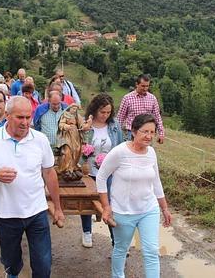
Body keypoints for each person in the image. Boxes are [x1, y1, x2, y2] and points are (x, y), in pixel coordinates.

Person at [0, 96, 65, 278]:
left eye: (28, 117)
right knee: (11, 263)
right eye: (20, 117)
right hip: (6, 214)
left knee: (43, 265)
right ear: (7, 115)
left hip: (37, 212)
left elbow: (49, 173)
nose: (25, 122)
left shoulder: (40, 140)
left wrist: (58, 208)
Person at [97, 114, 172, 278]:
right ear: (133, 131)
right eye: (145, 132)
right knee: (121, 248)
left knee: (151, 250)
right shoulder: (119, 152)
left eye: (152, 132)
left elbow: (156, 181)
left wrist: (164, 208)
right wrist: (106, 207)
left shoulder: (151, 153)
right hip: (123, 211)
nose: (149, 136)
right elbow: (101, 177)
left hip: (148, 209)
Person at [79, 93, 123, 248]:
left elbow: (120, 148)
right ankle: (87, 232)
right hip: (88, 171)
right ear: (95, 110)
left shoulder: (114, 126)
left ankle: (115, 240)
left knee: (110, 204)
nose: (105, 115)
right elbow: (78, 146)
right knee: (87, 202)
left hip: (109, 172)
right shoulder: (86, 124)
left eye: (108, 112)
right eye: (102, 112)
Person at [117, 74, 165, 143]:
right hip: (131, 134)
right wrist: (116, 134)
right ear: (137, 84)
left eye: (147, 86)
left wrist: (161, 133)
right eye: (143, 86)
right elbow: (120, 118)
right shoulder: (127, 98)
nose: (145, 88)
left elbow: (157, 117)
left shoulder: (152, 98)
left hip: (147, 134)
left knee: (146, 153)